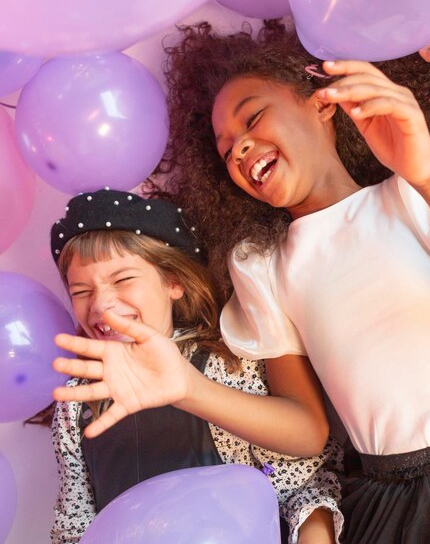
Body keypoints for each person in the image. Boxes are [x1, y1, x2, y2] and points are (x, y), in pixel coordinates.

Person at [142, 20, 430, 543]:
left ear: (322, 103)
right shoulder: (263, 266)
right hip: (395, 504)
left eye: (253, 117)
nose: (240, 147)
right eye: (226, 150)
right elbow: (307, 430)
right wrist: (188, 388)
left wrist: (426, 172)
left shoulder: (414, 189)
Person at [50, 188, 344, 544]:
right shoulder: (76, 403)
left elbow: (299, 489)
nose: (101, 305)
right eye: (81, 291)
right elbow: (74, 526)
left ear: (173, 282)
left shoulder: (228, 365)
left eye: (123, 279)